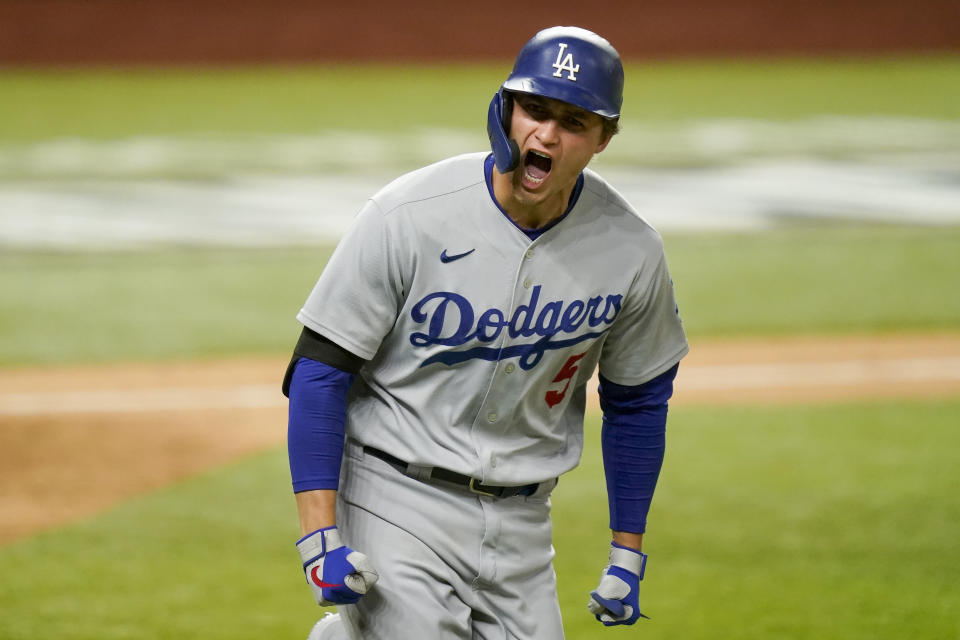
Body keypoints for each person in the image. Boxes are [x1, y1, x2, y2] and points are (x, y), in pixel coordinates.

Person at [284, 25, 689, 640]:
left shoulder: (630, 248)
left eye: (574, 122)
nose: (546, 134)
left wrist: (627, 553)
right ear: (505, 109)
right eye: (536, 110)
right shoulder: (408, 215)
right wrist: (319, 537)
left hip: (525, 520)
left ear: (604, 138)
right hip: (394, 493)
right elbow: (319, 370)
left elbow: (637, 402)